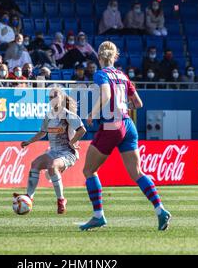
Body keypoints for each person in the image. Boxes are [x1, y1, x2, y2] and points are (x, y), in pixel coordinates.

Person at [79, 41, 171, 231]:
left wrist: (92, 113)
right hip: (128, 125)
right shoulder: (122, 75)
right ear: (116, 56)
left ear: (99, 56)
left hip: (112, 125)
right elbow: (138, 103)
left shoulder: (101, 74)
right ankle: (160, 210)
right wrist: (122, 108)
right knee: (137, 172)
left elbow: (105, 96)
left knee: (89, 171)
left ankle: (98, 215)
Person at [15, 87, 87, 214]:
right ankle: (29, 197)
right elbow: (43, 132)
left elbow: (82, 130)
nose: (52, 99)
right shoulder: (49, 115)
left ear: (62, 98)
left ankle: (61, 200)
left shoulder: (68, 115)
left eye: (55, 96)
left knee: (52, 167)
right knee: (35, 164)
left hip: (67, 152)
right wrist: (29, 142)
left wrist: (72, 141)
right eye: (50, 97)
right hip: (54, 151)